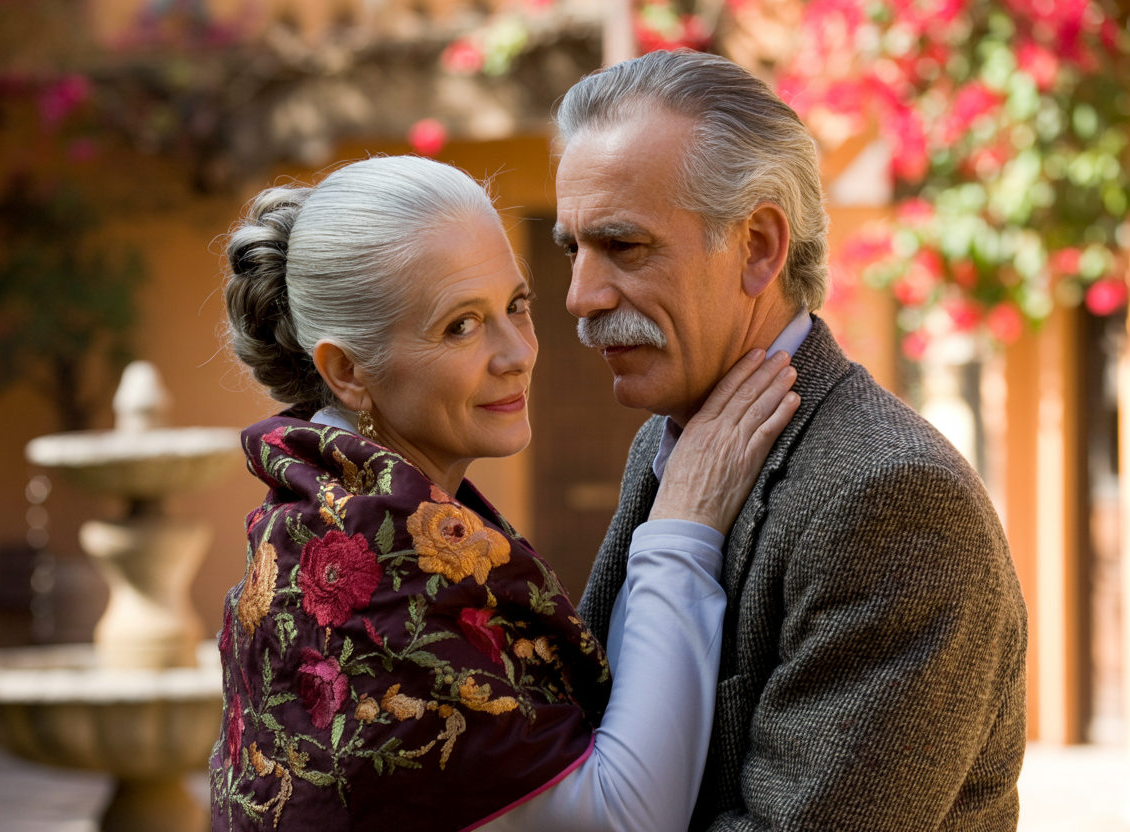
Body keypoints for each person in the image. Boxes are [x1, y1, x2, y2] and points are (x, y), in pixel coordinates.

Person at [209, 154, 801, 832]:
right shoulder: (375, 576)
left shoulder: (325, 512)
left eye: (516, 305)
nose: (517, 351)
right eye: (460, 325)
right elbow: (623, 822)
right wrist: (683, 528)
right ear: (346, 371)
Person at [553, 50, 1028, 831]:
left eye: (624, 247)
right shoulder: (669, 439)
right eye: (575, 249)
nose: (582, 296)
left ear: (760, 247)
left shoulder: (894, 498)